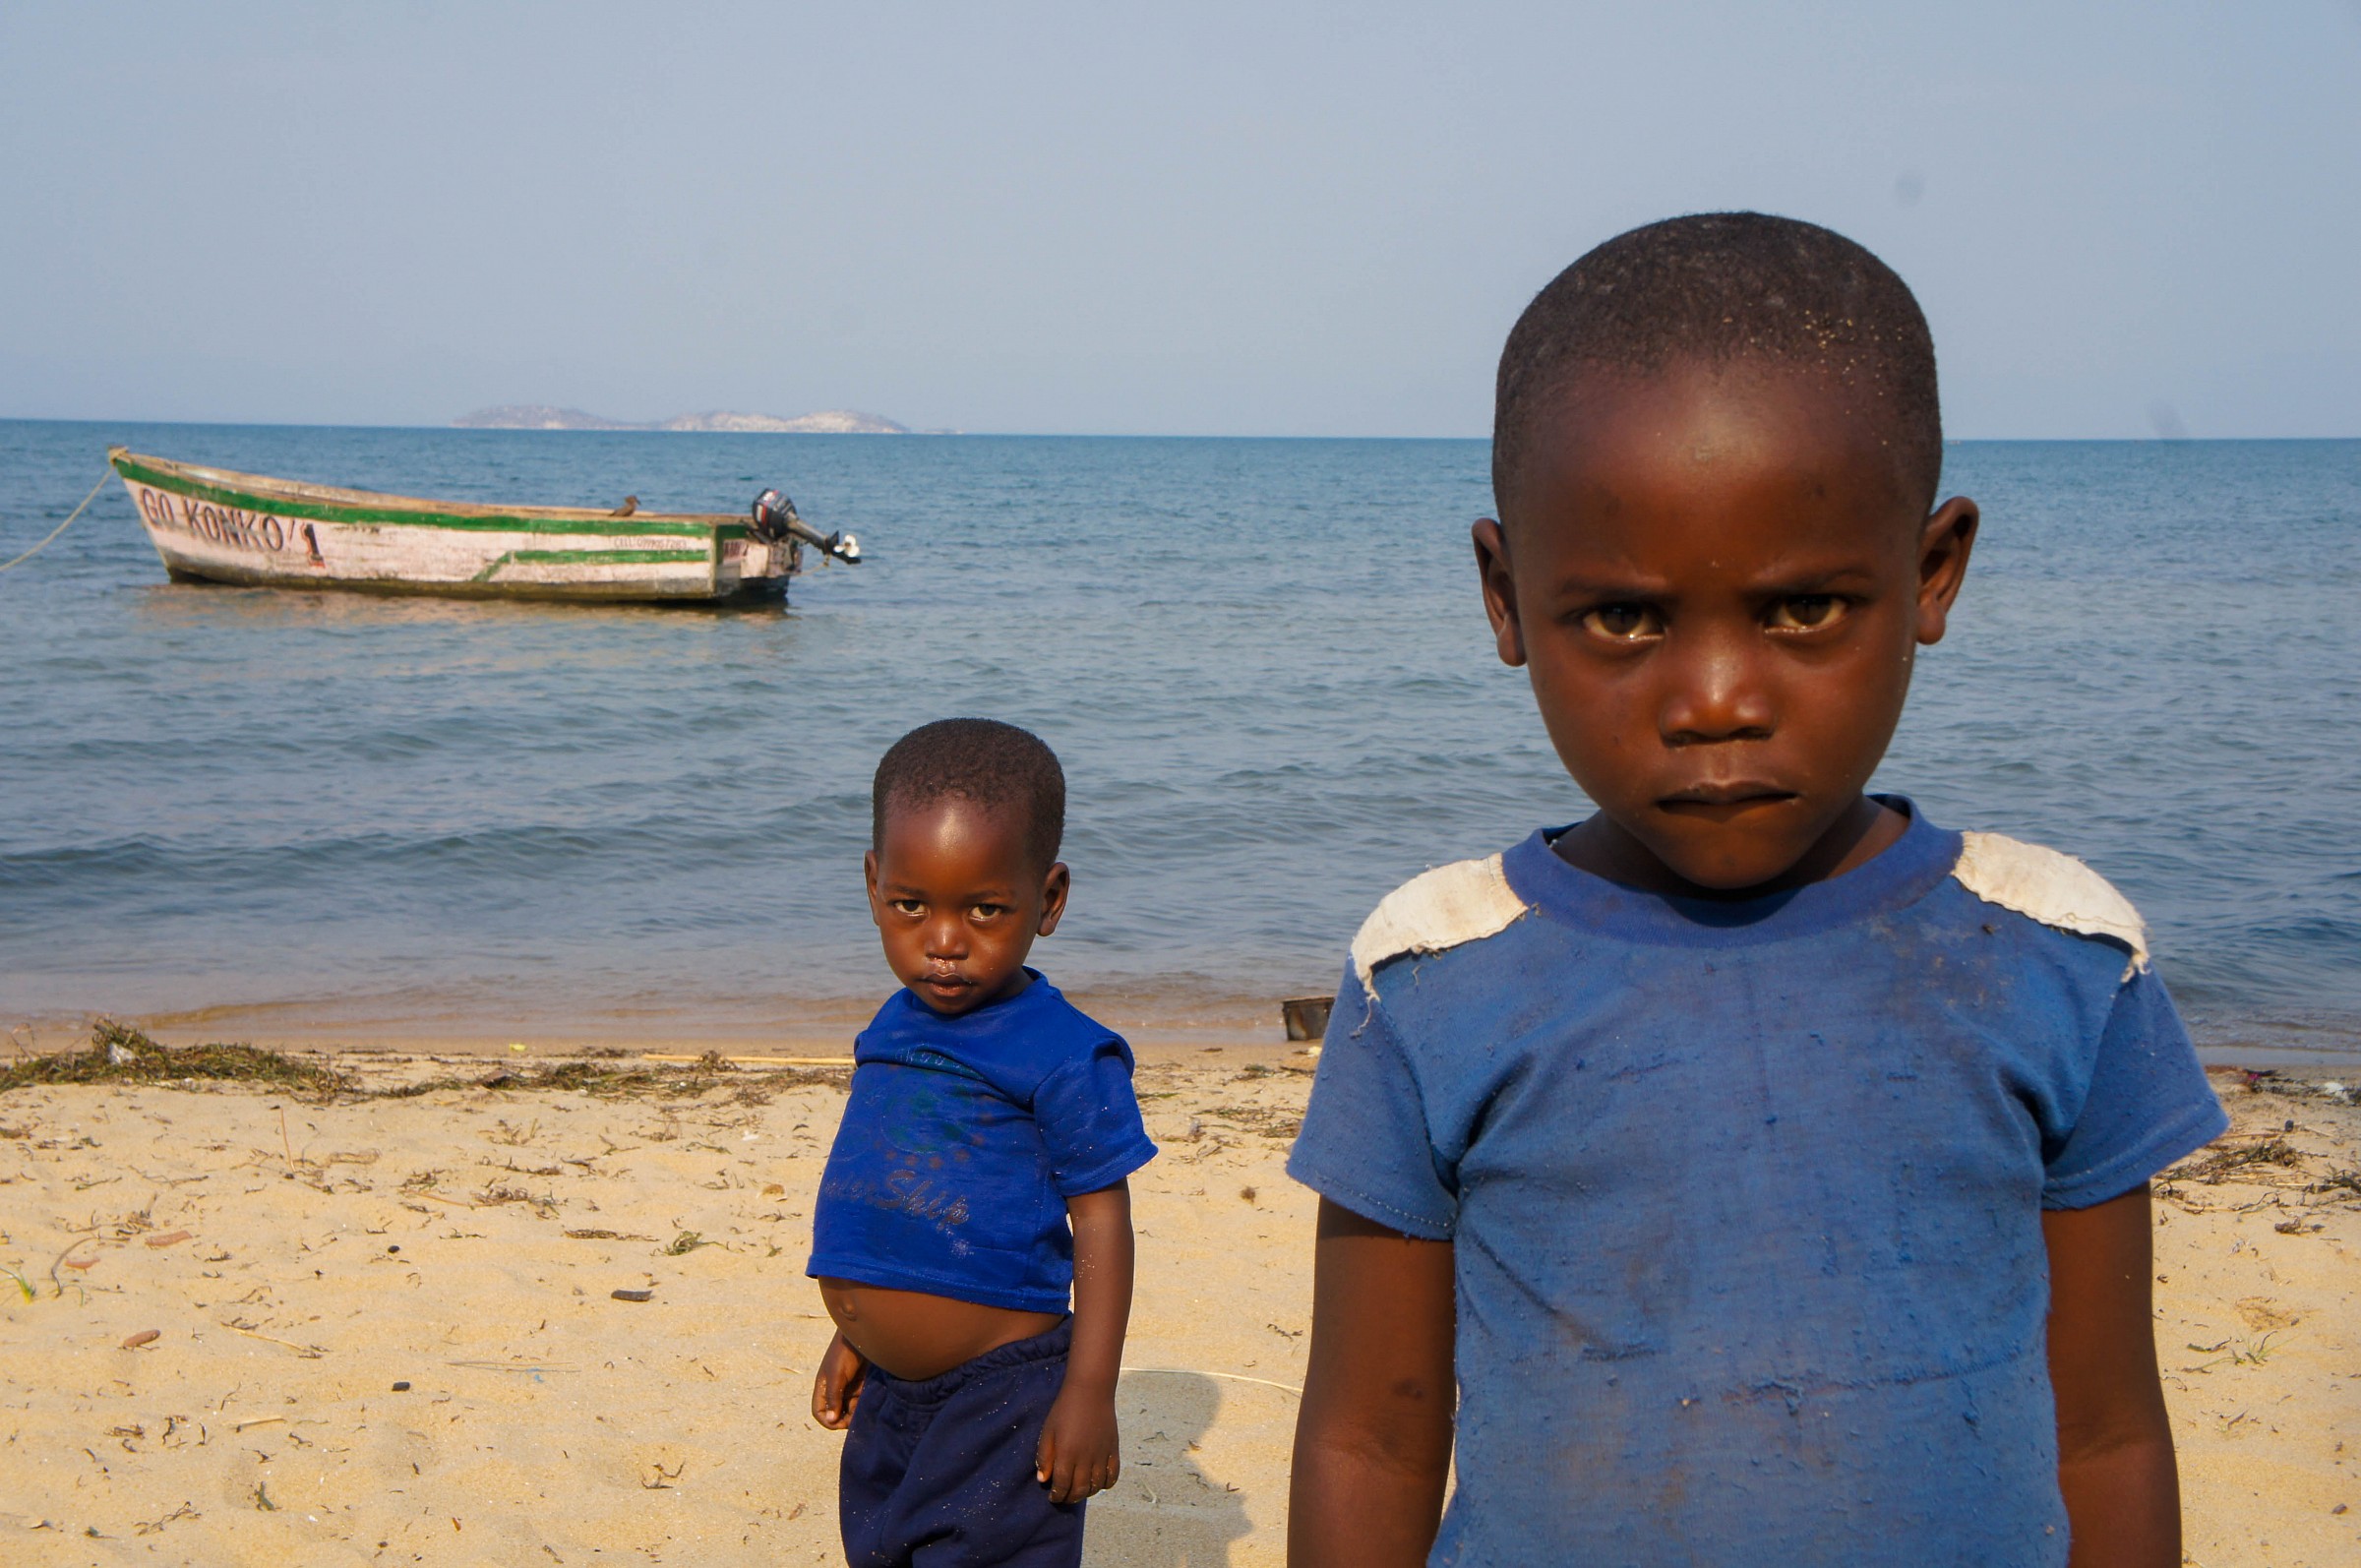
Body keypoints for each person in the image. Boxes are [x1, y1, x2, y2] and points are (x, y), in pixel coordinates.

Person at [1285, 212, 2227, 1567]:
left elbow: (2109, 1435)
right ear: (1505, 595)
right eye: (1623, 618)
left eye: (1801, 611)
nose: (1716, 700)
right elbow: (1367, 1439)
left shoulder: (2061, 957)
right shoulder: (1432, 974)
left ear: (1931, 573)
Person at [808, 718, 1156, 1567]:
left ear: (1050, 899)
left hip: (1002, 1398)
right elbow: (896, 1194)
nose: (945, 940)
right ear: (872, 885)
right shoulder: (892, 1025)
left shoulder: (1066, 1053)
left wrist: (1089, 1390)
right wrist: (858, 1332)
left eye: (986, 909)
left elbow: (1103, 1224)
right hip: (892, 1392)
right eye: (911, 904)